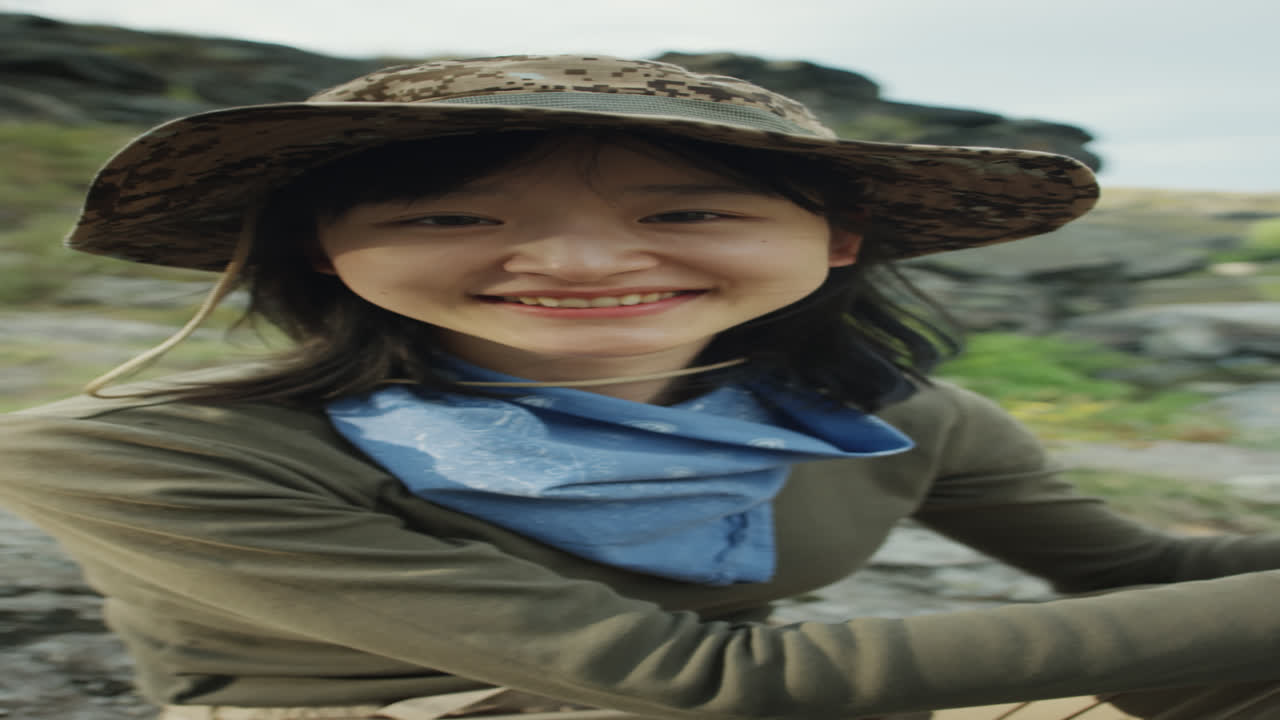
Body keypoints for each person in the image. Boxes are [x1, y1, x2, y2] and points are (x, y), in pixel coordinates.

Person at [0, 55, 1277, 720]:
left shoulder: (888, 425)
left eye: (684, 208)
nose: (577, 262)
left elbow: (1141, 571)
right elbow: (695, 680)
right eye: (449, 210)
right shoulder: (136, 451)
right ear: (321, 248)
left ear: (832, 241)